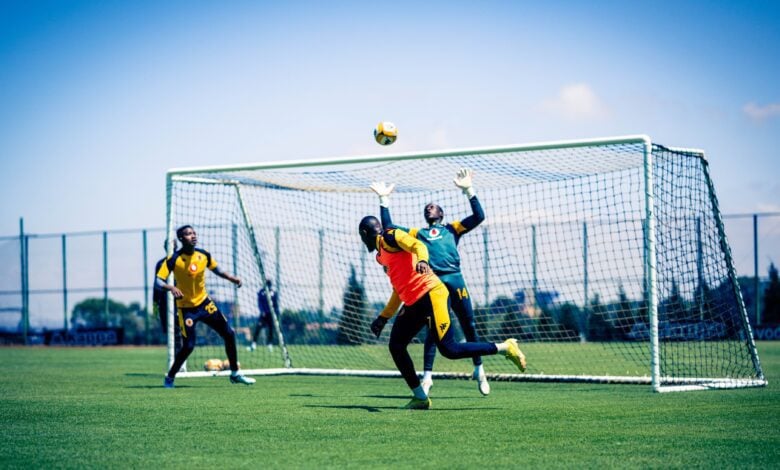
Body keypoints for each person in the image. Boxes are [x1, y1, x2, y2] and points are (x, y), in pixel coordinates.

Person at [358, 215, 525, 410]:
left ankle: (506, 347)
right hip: (413, 303)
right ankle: (420, 397)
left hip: (432, 295)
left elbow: (418, 246)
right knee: (396, 345)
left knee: (449, 350)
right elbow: (398, 289)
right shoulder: (381, 256)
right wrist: (383, 317)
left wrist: (422, 260)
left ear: (364, 234)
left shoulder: (391, 236)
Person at [371, 168, 490, 396]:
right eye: (427, 207)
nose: (429, 207)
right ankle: (427, 377)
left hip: (455, 281)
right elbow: (389, 229)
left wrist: (469, 190)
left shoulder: (451, 229)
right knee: (433, 332)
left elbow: (479, 217)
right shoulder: (418, 233)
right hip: (433, 284)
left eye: (434, 206)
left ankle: (479, 370)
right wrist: (383, 200)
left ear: (441, 213)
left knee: (469, 325)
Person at [156, 225, 255, 388]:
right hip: (186, 309)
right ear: (181, 239)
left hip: (205, 304)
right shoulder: (174, 259)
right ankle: (170, 377)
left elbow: (218, 270)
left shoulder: (203, 255)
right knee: (188, 346)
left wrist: (233, 278)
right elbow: (158, 281)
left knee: (229, 333)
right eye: (188, 234)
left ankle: (235, 373)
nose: (193, 236)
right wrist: (171, 288)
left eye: (194, 233)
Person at [249, 279, 278, 352]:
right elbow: (260, 303)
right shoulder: (261, 292)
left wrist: (275, 313)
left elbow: (275, 304)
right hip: (263, 315)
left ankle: (270, 345)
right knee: (258, 327)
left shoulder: (273, 293)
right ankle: (253, 344)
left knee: (271, 329)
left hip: (271, 315)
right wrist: (262, 311)